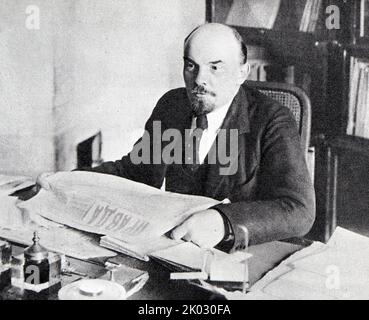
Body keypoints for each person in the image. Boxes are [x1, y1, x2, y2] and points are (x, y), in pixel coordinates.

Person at [38, 23, 315, 252]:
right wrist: (69, 181)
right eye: (191, 66)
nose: (199, 80)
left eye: (215, 68)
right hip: (168, 251)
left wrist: (222, 222)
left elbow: (299, 210)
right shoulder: (172, 105)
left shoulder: (272, 121)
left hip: (235, 258)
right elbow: (131, 172)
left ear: (242, 73)